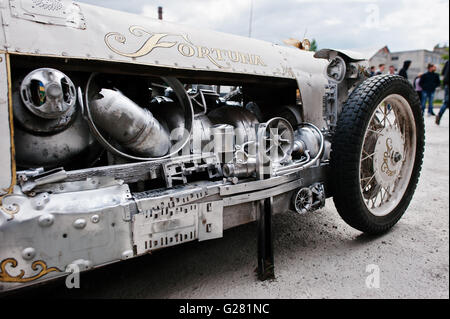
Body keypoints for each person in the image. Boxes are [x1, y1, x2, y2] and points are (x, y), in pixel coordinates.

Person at [436, 60, 449, 125]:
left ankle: (439, 115)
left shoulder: (447, 62)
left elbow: (443, 73)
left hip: (446, 84)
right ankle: (439, 115)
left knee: (446, 102)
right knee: (447, 102)